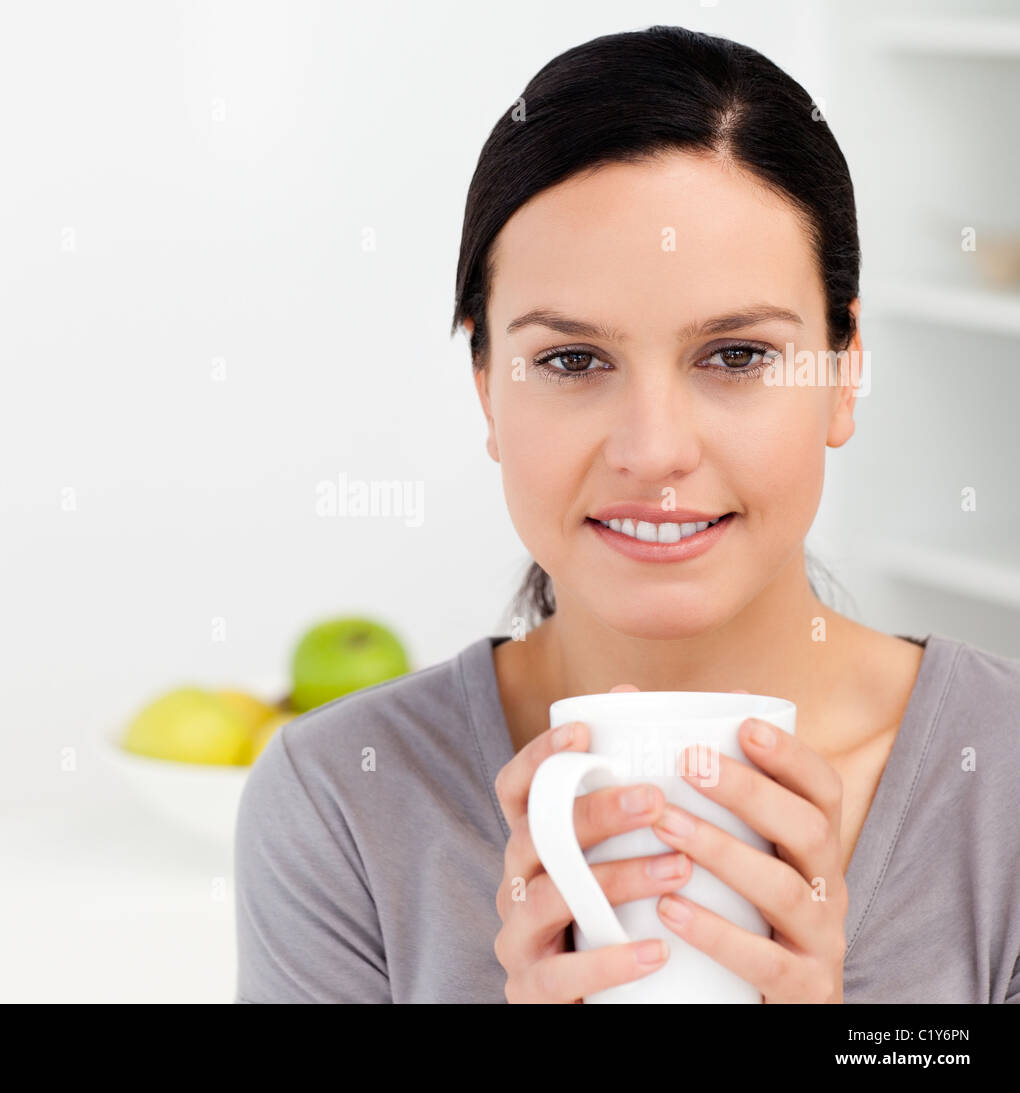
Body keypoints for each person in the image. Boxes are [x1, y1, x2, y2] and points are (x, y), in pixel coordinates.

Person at [233, 24, 1020, 1003]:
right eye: (571, 360)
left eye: (735, 355)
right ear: (485, 381)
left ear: (843, 369)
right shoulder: (341, 803)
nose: (653, 449)